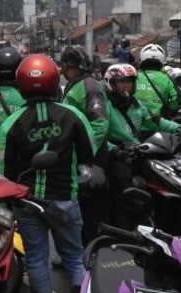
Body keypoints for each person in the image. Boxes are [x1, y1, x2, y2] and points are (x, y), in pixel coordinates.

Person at [0, 54, 95, 293]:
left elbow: (6, 170)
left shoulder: (11, 123)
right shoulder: (72, 115)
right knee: (75, 257)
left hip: (27, 203)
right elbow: (90, 152)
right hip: (65, 197)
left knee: (37, 260)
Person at [102, 63, 180, 228]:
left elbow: (155, 121)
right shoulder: (104, 106)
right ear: (111, 83)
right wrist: (114, 150)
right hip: (115, 154)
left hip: (135, 151)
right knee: (123, 181)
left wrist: (178, 128)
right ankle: (125, 223)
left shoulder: (136, 104)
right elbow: (97, 134)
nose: (127, 86)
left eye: (129, 82)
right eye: (122, 82)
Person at [60, 46, 110, 246]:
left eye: (65, 66)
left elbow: (100, 123)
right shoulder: (75, 85)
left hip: (91, 156)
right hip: (79, 154)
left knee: (91, 208)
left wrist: (85, 151)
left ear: (74, 67)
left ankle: (92, 248)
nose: (63, 70)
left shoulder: (89, 86)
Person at [134, 44, 181, 119]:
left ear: (141, 59)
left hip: (134, 123)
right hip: (158, 123)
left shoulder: (134, 77)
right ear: (162, 62)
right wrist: (166, 108)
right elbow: (180, 100)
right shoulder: (166, 78)